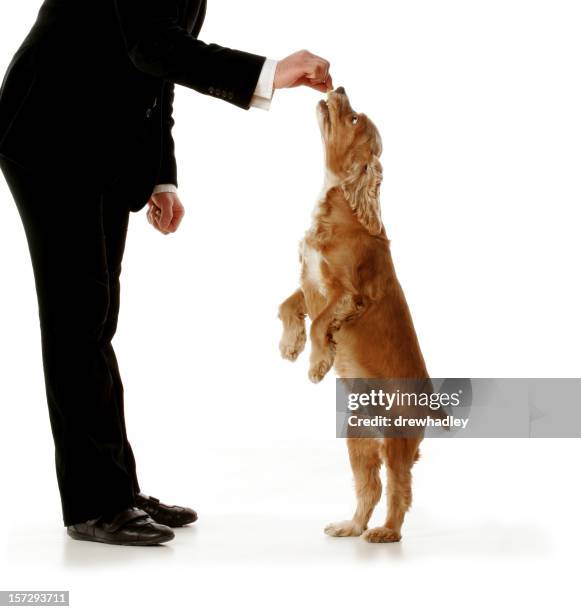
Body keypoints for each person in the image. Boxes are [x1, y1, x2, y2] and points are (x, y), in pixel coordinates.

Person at [0, 0, 332, 546]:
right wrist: (271, 71)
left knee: (96, 318)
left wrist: (161, 177)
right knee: (77, 321)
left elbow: (157, 70)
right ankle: (94, 505)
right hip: (49, 131)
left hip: (98, 136)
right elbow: (154, 48)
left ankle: (116, 491)